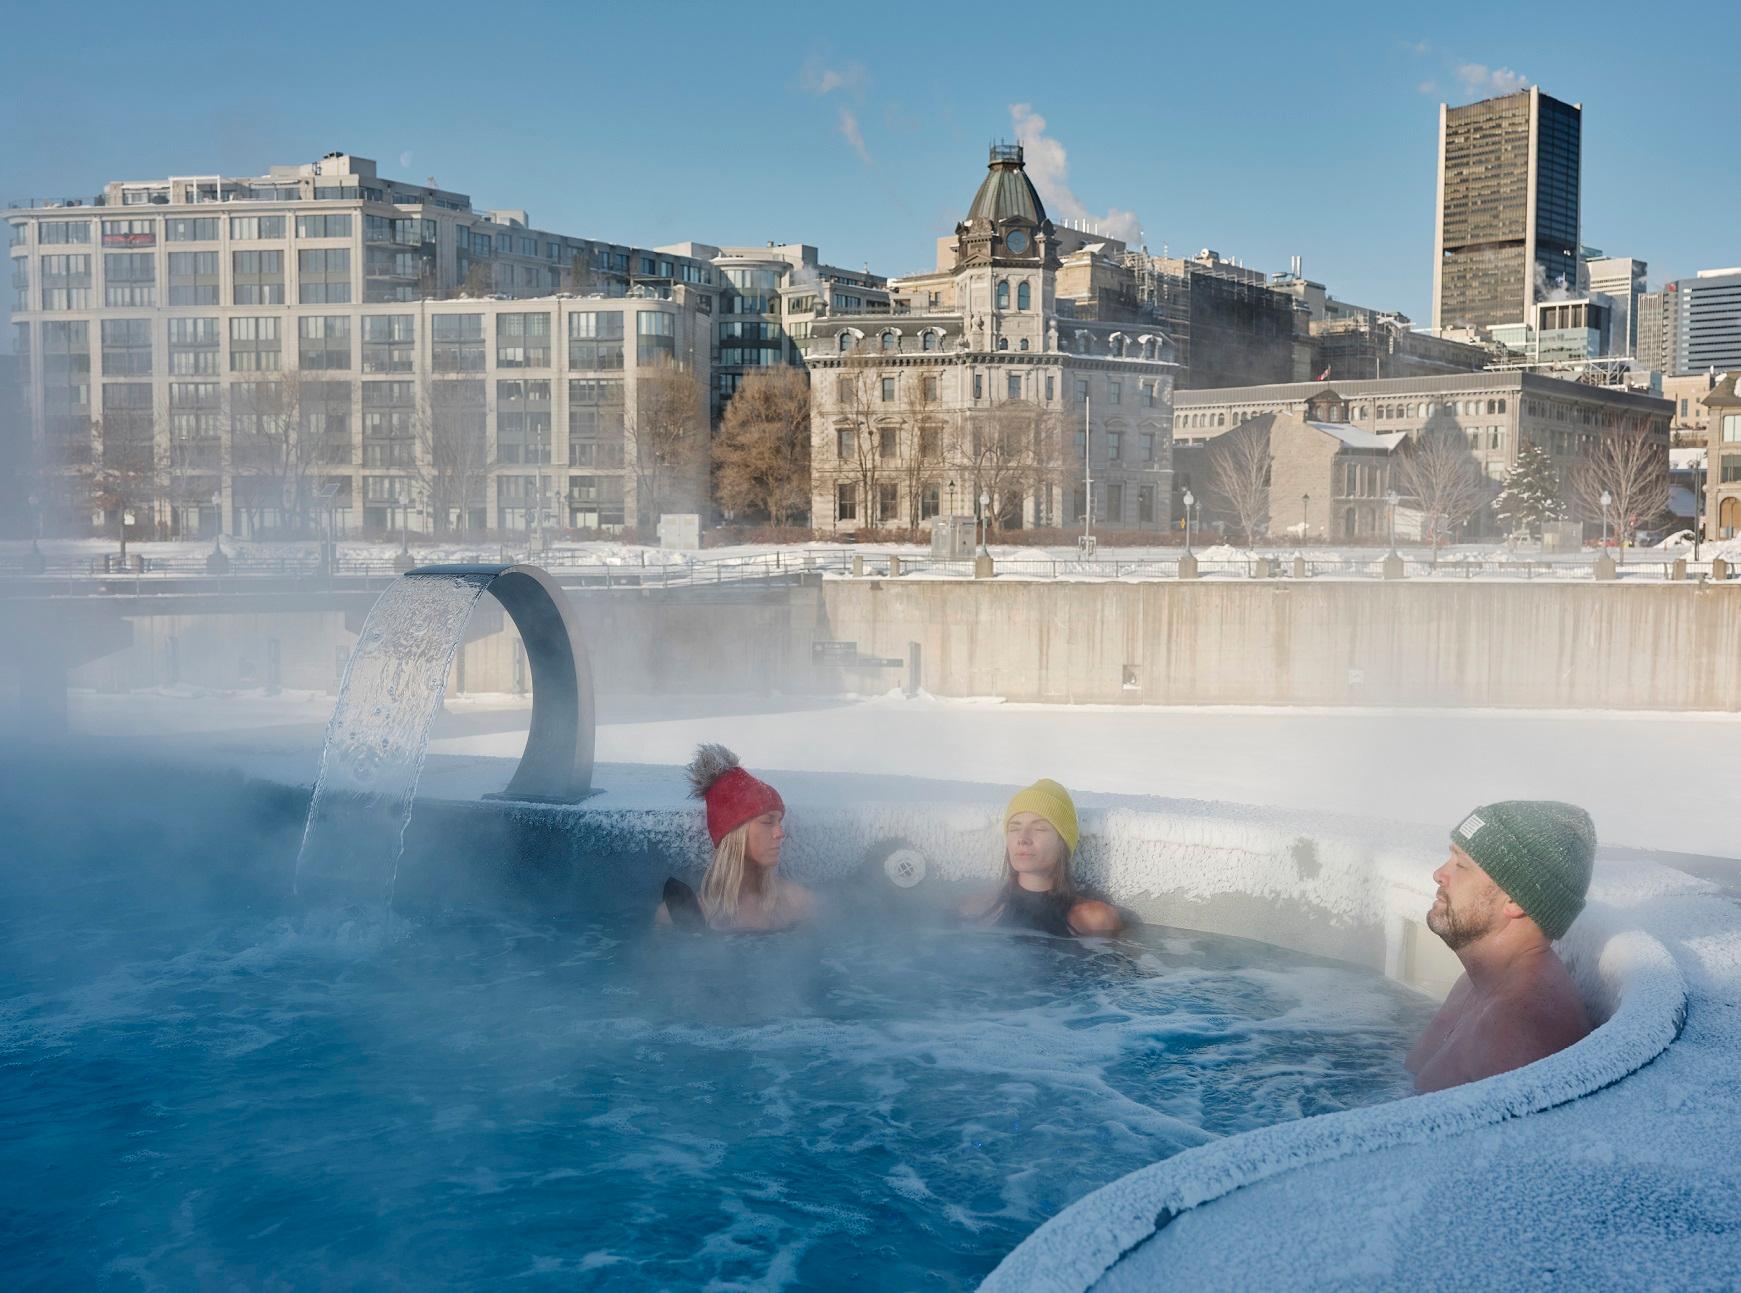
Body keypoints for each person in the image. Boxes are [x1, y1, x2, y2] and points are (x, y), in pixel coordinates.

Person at [1406, 800, 1596, 1094]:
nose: (1439, 874)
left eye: (1461, 865)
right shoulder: (1480, 982)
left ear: (1515, 900)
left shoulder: (1519, 1030)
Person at [655, 743, 813, 932]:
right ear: (734, 833)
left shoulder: (797, 903)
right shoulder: (681, 914)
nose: (780, 833)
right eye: (767, 821)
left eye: (779, 821)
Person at [958, 779, 1123, 938]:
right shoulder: (976, 908)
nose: (1023, 838)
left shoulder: (1095, 920)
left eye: (1039, 828)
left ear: (1062, 843)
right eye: (1014, 828)